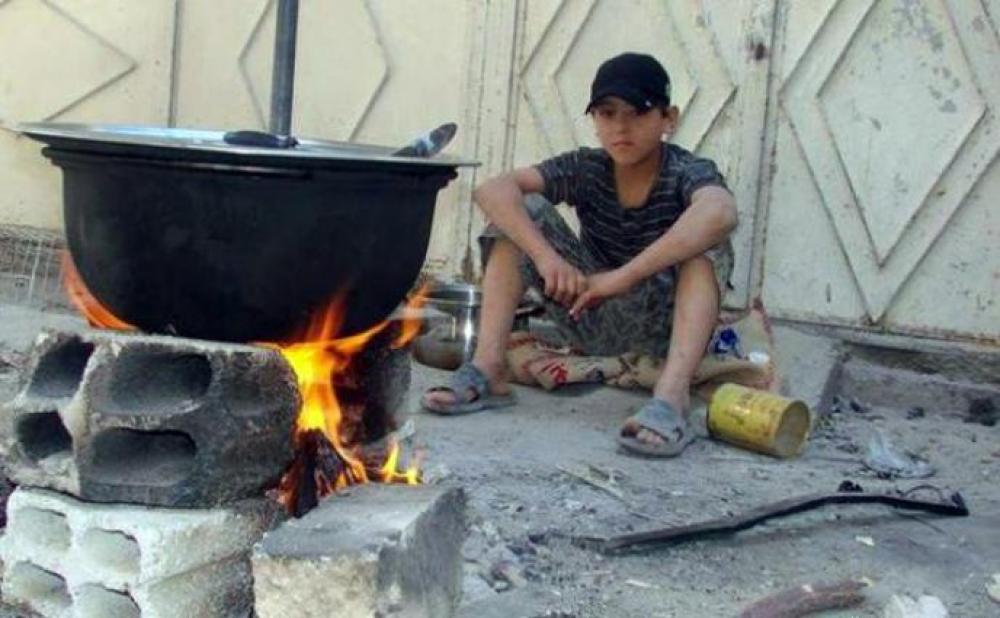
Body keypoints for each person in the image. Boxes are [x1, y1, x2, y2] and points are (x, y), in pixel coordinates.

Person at [421, 52, 738, 457]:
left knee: (708, 242)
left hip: (663, 327)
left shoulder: (686, 170)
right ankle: (489, 368)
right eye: (607, 113)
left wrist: (622, 277)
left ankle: (671, 398)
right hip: (587, 313)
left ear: (668, 119)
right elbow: (492, 190)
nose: (620, 127)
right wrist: (546, 258)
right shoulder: (588, 167)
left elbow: (720, 212)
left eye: (638, 112)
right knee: (521, 211)